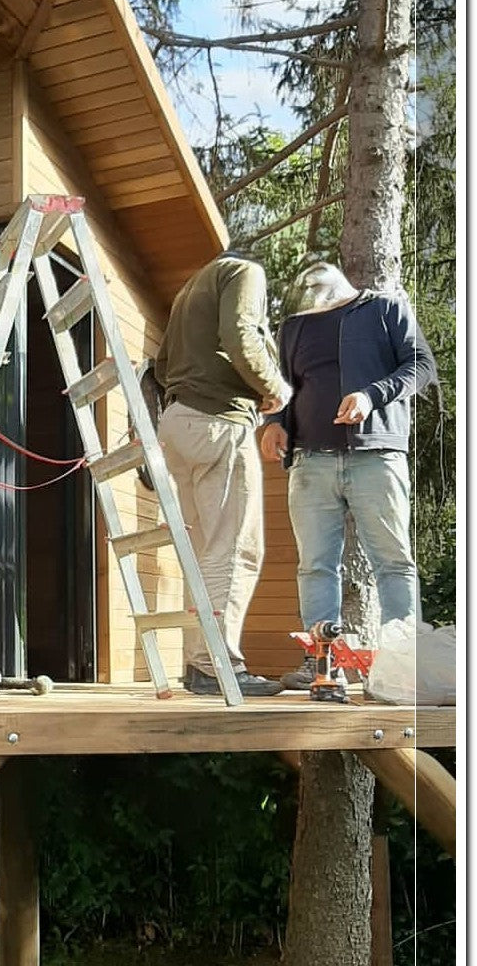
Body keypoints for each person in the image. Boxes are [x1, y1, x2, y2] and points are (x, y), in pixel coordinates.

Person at [259, 262, 436, 689]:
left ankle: (404, 666)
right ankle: (321, 665)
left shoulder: (385, 309)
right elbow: (284, 385)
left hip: (377, 455)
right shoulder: (295, 327)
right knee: (315, 565)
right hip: (310, 461)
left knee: (392, 562)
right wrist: (276, 422)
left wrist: (370, 396)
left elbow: (421, 367)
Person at [154, 251, 292, 696]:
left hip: (178, 424)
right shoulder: (245, 272)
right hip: (219, 423)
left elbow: (160, 367)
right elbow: (240, 334)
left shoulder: (188, 291)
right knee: (236, 549)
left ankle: (201, 664)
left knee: (204, 551)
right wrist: (274, 387)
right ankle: (218, 665)